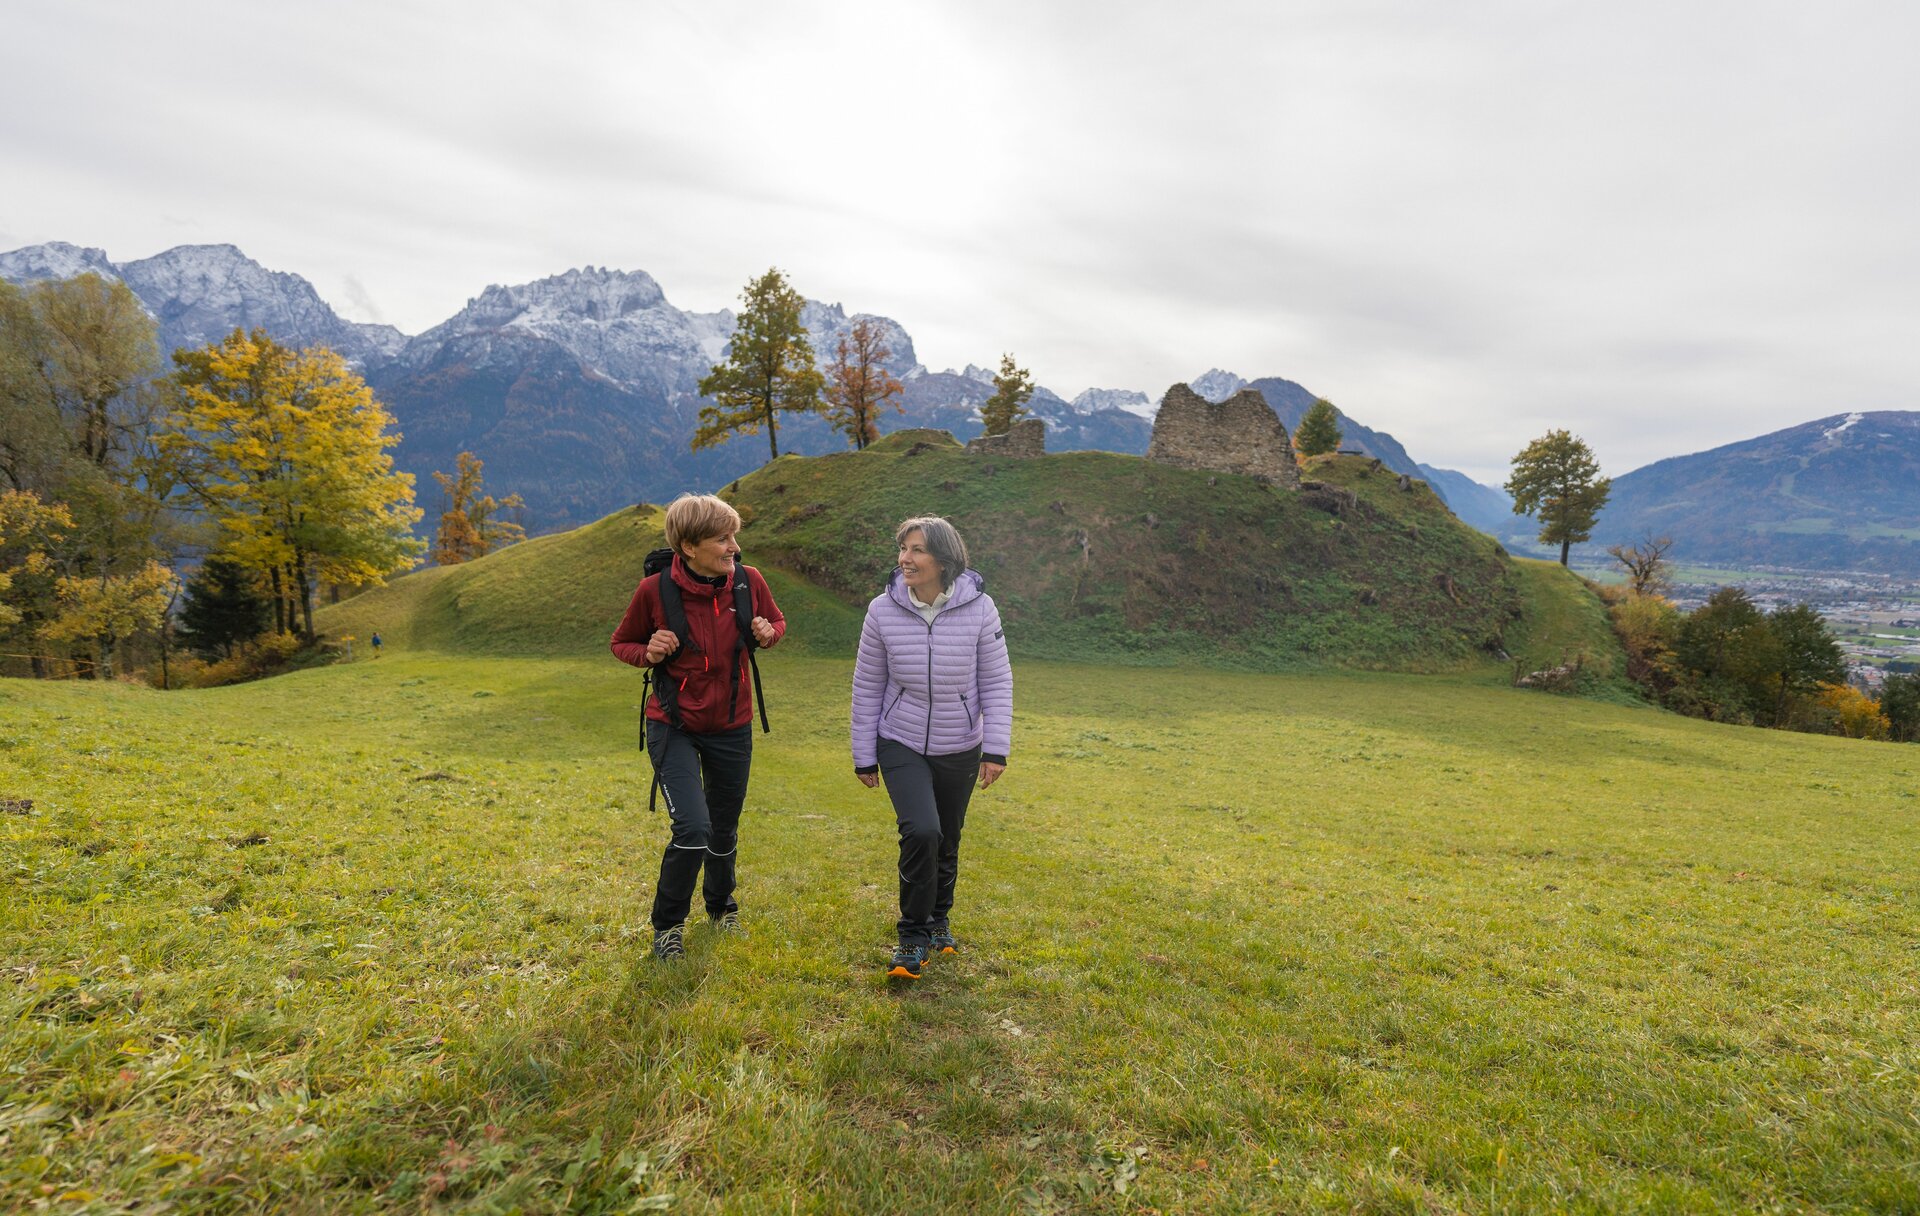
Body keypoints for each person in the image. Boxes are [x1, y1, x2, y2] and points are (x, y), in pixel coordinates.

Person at [611, 494, 785, 961]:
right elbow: (622, 643)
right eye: (723, 539)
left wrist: (769, 633)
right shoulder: (654, 591)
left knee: (723, 828)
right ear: (688, 546)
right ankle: (667, 927)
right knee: (693, 828)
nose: (734, 547)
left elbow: (776, 620)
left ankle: (721, 908)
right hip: (674, 725)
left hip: (732, 723)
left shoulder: (748, 581)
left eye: (734, 536)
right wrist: (648, 651)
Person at [850, 515, 1012, 980]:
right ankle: (912, 935)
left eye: (917, 549)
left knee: (947, 837)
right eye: (903, 548)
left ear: (943, 559)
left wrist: (995, 750)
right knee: (921, 831)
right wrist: (864, 754)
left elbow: (996, 681)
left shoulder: (981, 609)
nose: (905, 558)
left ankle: (939, 919)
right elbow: (867, 685)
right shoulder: (882, 610)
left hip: (959, 743)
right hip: (899, 739)